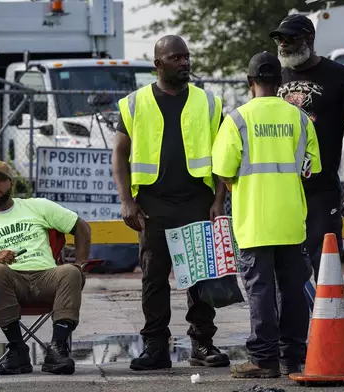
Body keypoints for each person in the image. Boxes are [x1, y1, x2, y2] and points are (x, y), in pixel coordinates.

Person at [113, 34, 230, 371]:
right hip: (153, 204)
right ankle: (155, 347)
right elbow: (119, 154)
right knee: (153, 278)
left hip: (197, 201)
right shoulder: (134, 103)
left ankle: (202, 344)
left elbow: (222, 157)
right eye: (177, 58)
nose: (185, 63)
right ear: (158, 64)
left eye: (187, 57)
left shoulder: (208, 102)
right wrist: (126, 201)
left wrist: (218, 201)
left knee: (201, 277)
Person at [212, 51, 321, 378]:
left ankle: (264, 360)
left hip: (254, 222)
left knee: (260, 292)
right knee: (292, 291)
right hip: (290, 221)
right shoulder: (300, 118)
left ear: (250, 83)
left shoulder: (237, 120)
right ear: (280, 83)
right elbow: (310, 168)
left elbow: (223, 169)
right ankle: (293, 358)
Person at [0, 160, 92, 375]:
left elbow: (81, 226)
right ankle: (18, 349)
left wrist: (80, 263)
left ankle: (57, 349)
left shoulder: (37, 206)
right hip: (9, 283)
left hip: (46, 277)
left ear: (10, 183)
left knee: (70, 271)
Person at [270, 14, 344, 282]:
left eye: (289, 38)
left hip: (321, 187)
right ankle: (295, 322)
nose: (283, 44)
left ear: (309, 39)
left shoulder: (338, 75)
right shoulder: (276, 76)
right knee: (287, 263)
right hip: (283, 187)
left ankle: (329, 319)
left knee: (325, 259)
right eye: (280, 39)